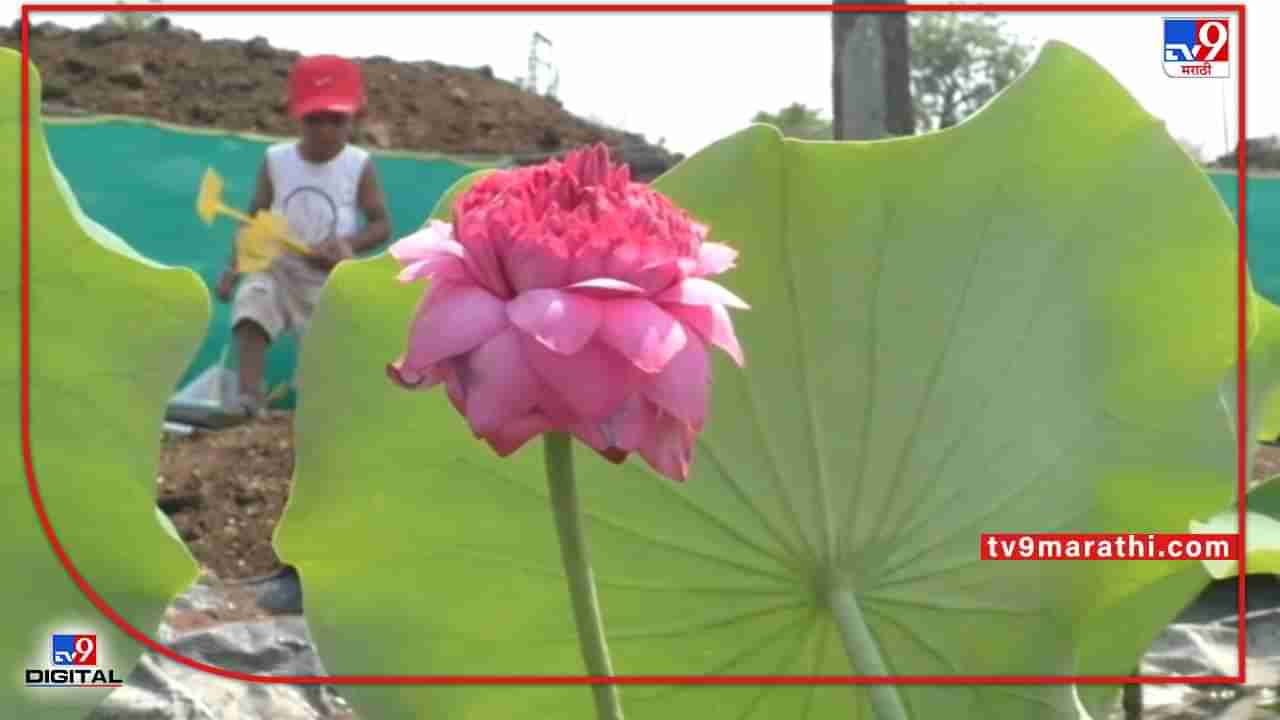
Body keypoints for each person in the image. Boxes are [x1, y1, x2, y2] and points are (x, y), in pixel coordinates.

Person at [215, 54, 391, 417]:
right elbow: (255, 217)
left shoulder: (358, 165)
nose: (325, 130)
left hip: (327, 279)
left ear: (354, 118)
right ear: (296, 116)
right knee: (253, 304)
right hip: (278, 267)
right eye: (314, 119)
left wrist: (347, 245)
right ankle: (250, 399)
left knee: (328, 354)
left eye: (336, 120)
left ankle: (319, 409)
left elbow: (380, 225)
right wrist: (234, 266)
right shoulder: (276, 160)